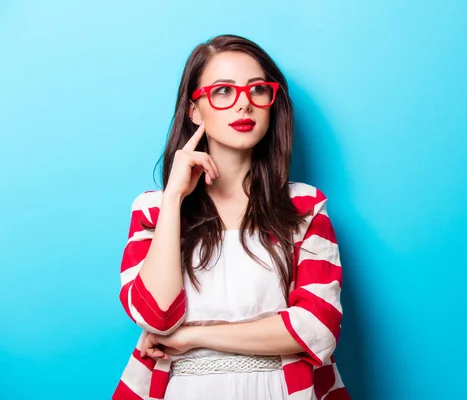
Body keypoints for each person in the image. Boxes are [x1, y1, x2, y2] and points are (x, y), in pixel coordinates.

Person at [112, 34, 350, 400]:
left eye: (258, 90)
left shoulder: (304, 207)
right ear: (194, 109)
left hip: (282, 390)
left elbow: (317, 326)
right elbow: (157, 317)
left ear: (273, 103)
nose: (244, 105)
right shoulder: (154, 210)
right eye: (223, 91)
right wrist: (174, 197)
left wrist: (193, 336)